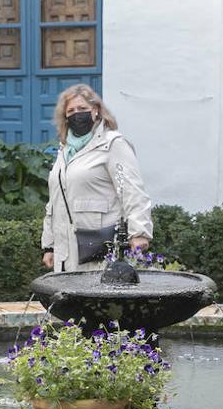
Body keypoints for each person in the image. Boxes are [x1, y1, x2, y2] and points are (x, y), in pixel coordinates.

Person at [41, 84, 154, 272]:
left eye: (83, 109)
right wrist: (49, 245)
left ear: (95, 111)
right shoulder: (65, 150)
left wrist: (139, 232)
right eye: (71, 110)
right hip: (65, 253)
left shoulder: (113, 145)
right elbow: (54, 202)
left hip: (100, 246)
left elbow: (132, 191)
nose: (77, 114)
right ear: (65, 116)